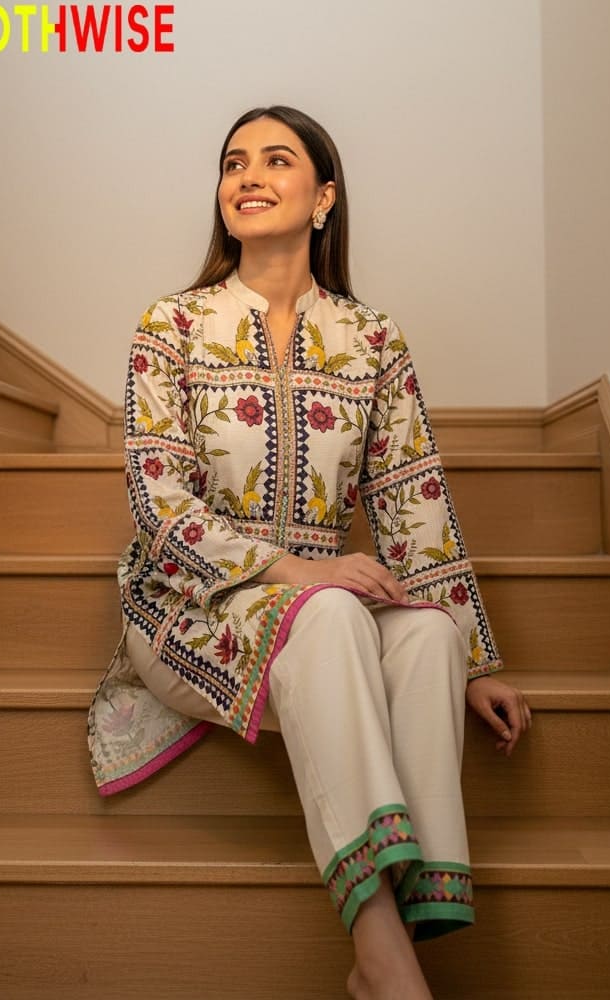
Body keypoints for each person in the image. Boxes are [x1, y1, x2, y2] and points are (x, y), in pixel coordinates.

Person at [88, 105, 531, 1000]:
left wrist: (477, 658)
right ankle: (382, 954)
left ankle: (413, 919)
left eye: (276, 161)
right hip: (192, 604)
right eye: (233, 163)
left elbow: (413, 499)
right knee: (331, 611)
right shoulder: (169, 325)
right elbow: (156, 502)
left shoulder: (372, 339)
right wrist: (300, 572)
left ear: (323, 197)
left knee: (430, 639)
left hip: (322, 614)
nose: (247, 176)